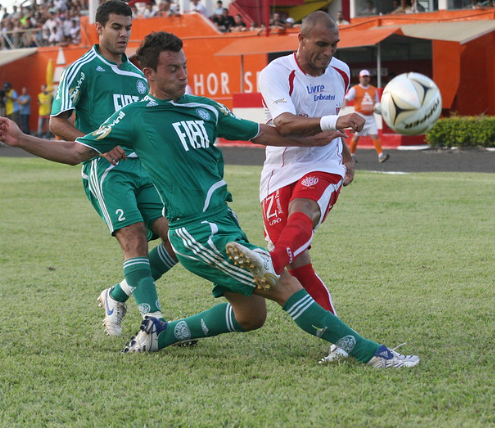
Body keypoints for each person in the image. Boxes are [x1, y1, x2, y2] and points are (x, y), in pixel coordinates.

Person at [0, 31, 419, 370]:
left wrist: (322, 135)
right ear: (148, 72)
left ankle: (162, 335)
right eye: (172, 69)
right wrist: (20, 139)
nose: (182, 75)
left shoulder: (204, 108)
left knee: (252, 316)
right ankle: (372, 354)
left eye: (184, 67)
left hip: (225, 221)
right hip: (194, 231)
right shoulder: (134, 118)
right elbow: (76, 152)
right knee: (282, 281)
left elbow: (266, 133)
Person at [50, 0, 177, 337]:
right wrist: (99, 143)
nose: (124, 34)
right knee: (134, 238)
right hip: (106, 170)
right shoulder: (83, 68)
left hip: (144, 169)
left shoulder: (138, 76)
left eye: (128, 28)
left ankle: (116, 295)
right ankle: (153, 324)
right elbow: (57, 123)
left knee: (178, 238)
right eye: (117, 27)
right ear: (100, 28)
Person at [257, 11, 379, 363]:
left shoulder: (340, 72)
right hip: (280, 168)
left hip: (324, 163)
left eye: (334, 45)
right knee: (300, 266)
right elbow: (285, 123)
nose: (329, 52)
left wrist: (345, 156)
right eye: (322, 44)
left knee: (304, 211)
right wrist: (335, 122)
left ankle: (270, 262)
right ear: (302, 39)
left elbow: (333, 122)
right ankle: (340, 338)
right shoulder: (276, 73)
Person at [342, 69, 389, 163]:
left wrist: (379, 109)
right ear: (360, 78)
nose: (365, 79)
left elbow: (377, 103)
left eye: (367, 77)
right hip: (359, 116)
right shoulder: (355, 89)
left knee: (375, 136)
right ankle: (351, 155)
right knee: (356, 136)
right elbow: (347, 97)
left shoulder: (373, 89)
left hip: (371, 117)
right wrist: (345, 104)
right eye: (363, 77)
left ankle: (381, 155)